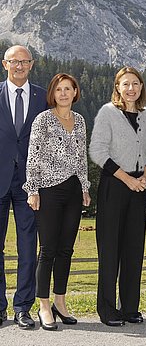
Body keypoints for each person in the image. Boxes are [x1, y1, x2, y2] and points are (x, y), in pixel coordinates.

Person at [23, 73, 91, 331]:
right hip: (49, 191)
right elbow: (34, 157)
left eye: (68, 89)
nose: (63, 93)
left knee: (66, 250)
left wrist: (84, 187)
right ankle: (43, 306)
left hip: (74, 191)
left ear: (75, 92)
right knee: (48, 250)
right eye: (58, 89)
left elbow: (81, 157)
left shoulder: (81, 121)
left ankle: (60, 303)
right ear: (53, 93)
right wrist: (32, 190)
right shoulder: (43, 120)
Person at [89, 67, 146, 327]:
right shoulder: (108, 112)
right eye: (125, 84)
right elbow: (97, 151)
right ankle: (107, 310)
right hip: (115, 186)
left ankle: (129, 308)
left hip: (139, 187)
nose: (131, 89)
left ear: (141, 87)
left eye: (136, 84)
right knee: (110, 249)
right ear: (117, 87)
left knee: (133, 249)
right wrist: (127, 179)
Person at [0, 45, 47, 329]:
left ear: (31, 64)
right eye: (13, 61)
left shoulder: (43, 96)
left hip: (31, 185)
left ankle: (22, 308)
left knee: (28, 246)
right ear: (4, 64)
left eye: (24, 61)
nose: (19, 66)